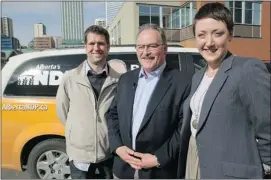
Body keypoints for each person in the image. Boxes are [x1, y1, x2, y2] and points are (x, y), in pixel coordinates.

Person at [177, 2, 271, 179]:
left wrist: (265, 169)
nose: (209, 43)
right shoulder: (198, 76)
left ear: (230, 35)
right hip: (196, 163)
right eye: (201, 35)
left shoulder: (247, 69)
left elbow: (267, 126)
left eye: (217, 33)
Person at [107, 23, 191, 179]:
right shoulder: (126, 79)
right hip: (124, 169)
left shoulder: (183, 82)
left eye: (152, 46)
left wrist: (158, 159)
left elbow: (184, 129)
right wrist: (118, 147)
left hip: (160, 171)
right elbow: (113, 115)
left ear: (165, 49)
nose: (145, 52)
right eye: (141, 47)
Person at [56, 25, 123, 179]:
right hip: (80, 155)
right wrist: (80, 131)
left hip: (109, 153)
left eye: (101, 43)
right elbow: (63, 112)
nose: (96, 48)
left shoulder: (119, 80)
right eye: (92, 43)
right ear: (85, 46)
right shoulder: (70, 78)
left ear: (108, 47)